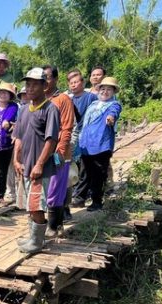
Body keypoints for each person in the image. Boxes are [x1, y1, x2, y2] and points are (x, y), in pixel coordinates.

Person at [12, 68, 60, 253]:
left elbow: (51, 140)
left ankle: (37, 242)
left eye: (34, 84)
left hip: (41, 168)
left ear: (44, 86)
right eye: (28, 84)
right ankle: (33, 237)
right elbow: (19, 138)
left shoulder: (50, 109)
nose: (30, 88)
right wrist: (16, 160)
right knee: (29, 205)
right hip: (25, 166)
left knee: (37, 206)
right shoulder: (23, 110)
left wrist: (40, 164)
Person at [78, 77, 122, 211]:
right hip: (86, 144)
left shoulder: (113, 105)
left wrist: (110, 118)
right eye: (103, 89)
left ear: (113, 92)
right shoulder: (93, 105)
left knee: (98, 174)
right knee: (85, 173)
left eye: (109, 89)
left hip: (101, 145)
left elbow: (113, 113)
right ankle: (82, 198)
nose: (105, 92)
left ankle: (97, 201)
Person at [43, 65, 75, 237]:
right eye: (42, 77)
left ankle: (54, 226)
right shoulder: (39, 100)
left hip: (58, 152)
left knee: (56, 187)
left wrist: (60, 151)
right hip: (43, 152)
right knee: (46, 189)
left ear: (55, 79)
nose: (45, 81)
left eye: (47, 77)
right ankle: (54, 222)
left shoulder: (63, 99)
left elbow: (67, 126)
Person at [69, 71, 98, 208]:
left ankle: (81, 196)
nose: (73, 85)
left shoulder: (91, 97)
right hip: (74, 135)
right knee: (75, 165)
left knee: (85, 166)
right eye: (71, 83)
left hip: (88, 134)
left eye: (76, 82)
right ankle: (78, 193)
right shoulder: (69, 100)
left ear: (83, 83)